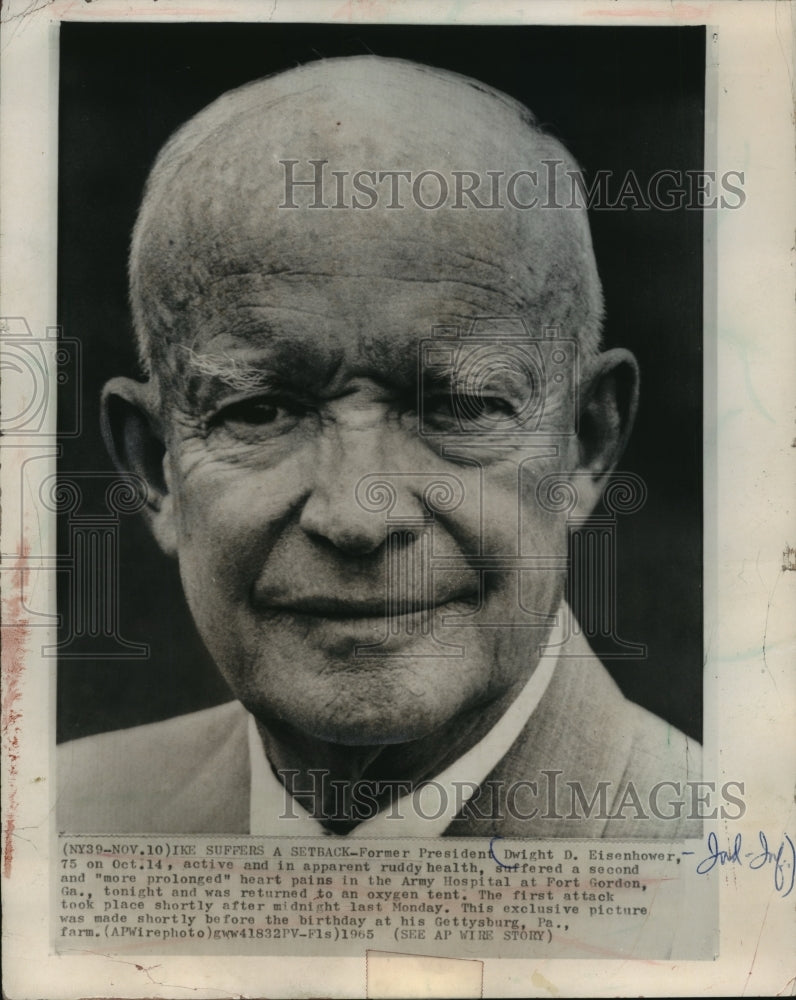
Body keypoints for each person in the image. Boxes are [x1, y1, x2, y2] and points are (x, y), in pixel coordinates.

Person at [58, 55, 700, 837]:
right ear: (155, 464)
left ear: (585, 441)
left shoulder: (740, 878)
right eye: (261, 410)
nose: (357, 517)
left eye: (460, 406)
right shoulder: (54, 829)